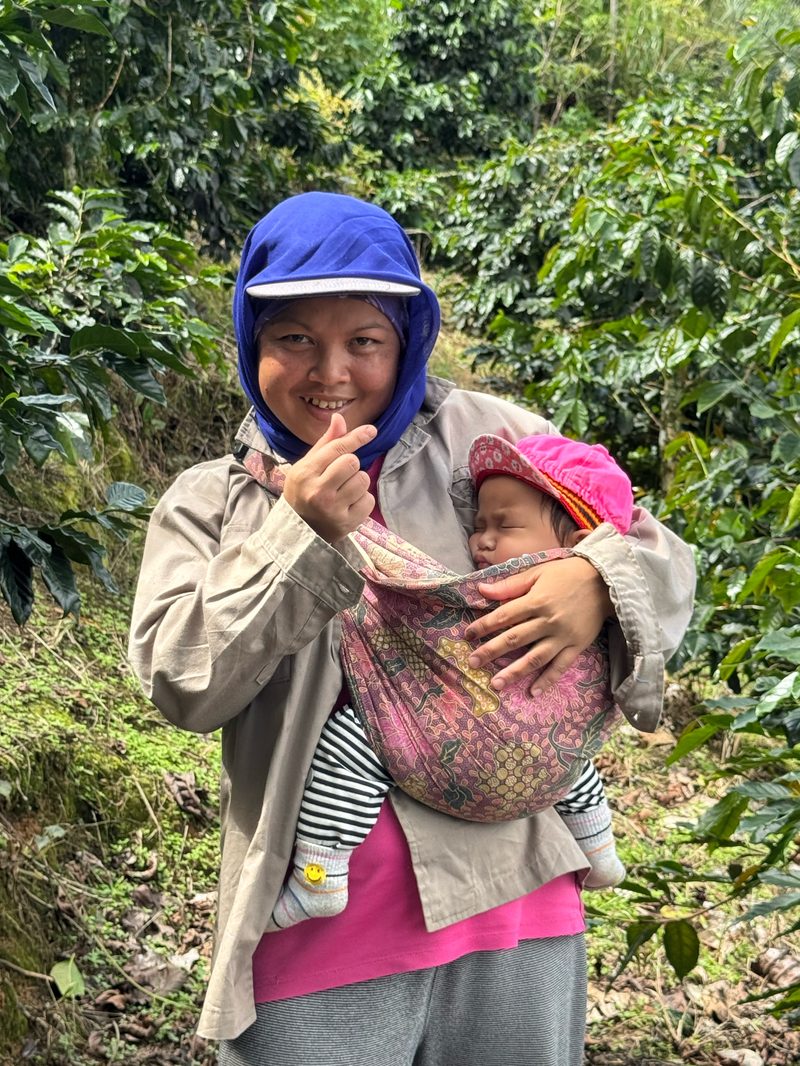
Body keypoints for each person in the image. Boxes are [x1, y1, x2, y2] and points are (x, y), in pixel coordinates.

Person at [128, 191, 695, 1066]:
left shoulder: (496, 441)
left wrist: (596, 580)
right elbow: (182, 685)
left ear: (408, 338)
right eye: (294, 339)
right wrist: (296, 537)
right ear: (249, 340)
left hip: (518, 908)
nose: (331, 373)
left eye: (365, 340)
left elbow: (659, 557)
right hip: (314, 934)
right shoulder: (212, 503)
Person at [268, 431, 635, 935]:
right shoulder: (609, 602)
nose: (482, 540)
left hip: (465, 756)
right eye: (478, 524)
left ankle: (320, 873)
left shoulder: (562, 588)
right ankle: (598, 845)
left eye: (505, 525)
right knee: (571, 750)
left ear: (576, 545)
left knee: (352, 744)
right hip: (543, 765)